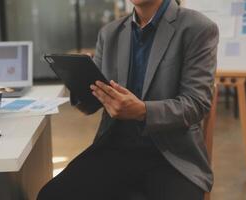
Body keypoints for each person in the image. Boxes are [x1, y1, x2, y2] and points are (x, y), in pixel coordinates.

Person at [37, 0, 219, 199]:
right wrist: (78, 81)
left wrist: (142, 111)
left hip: (172, 156)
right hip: (115, 147)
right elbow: (91, 105)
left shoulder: (198, 28)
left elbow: (196, 103)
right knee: (51, 195)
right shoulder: (110, 33)